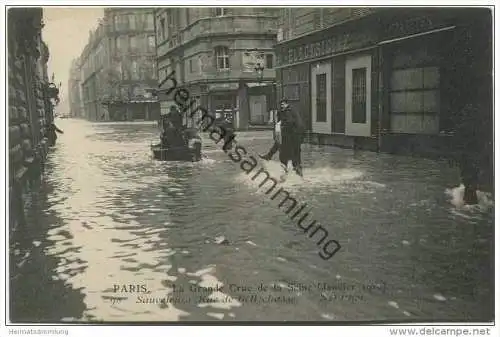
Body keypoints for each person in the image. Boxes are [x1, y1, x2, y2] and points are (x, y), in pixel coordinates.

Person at [264, 98, 304, 177]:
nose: (281, 106)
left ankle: (294, 174)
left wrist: (281, 127)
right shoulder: (285, 112)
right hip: (289, 137)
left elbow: (290, 123)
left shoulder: (289, 112)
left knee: (292, 157)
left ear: (286, 104)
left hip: (292, 137)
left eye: (282, 104)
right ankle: (292, 174)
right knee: (289, 157)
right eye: (280, 105)